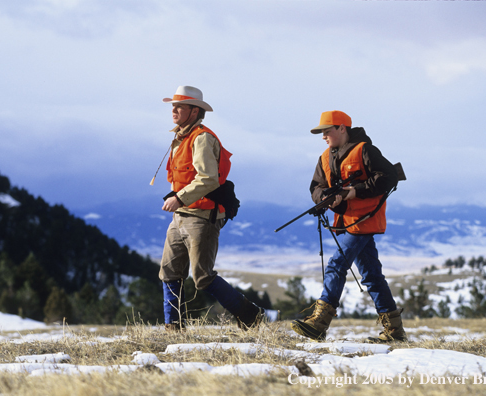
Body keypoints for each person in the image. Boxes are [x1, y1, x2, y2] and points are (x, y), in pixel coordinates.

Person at [290, 110, 407, 343]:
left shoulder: (365, 151)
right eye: (321, 132)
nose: (323, 136)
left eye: (327, 131)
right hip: (344, 221)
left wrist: (353, 191)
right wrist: (324, 197)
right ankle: (395, 331)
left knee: (336, 265)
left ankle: (320, 323)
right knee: (372, 276)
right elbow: (315, 187)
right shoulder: (324, 157)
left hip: (365, 220)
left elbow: (388, 178)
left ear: (342, 128)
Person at [159, 85, 264, 331]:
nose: (173, 110)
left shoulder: (202, 138)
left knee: (202, 277)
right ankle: (173, 329)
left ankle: (250, 314)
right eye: (173, 106)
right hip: (181, 215)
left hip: (202, 216)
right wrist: (180, 200)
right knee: (169, 272)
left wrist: (180, 198)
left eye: (179, 106)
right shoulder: (181, 138)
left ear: (194, 111)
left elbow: (208, 179)